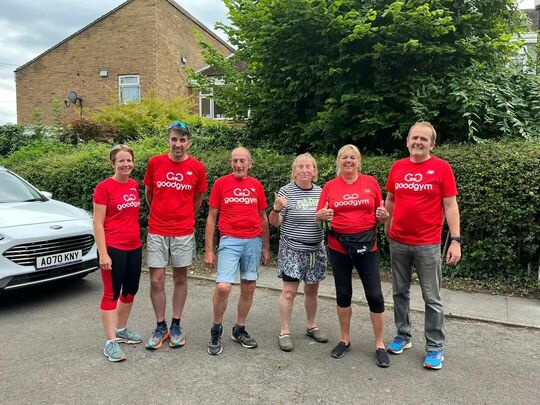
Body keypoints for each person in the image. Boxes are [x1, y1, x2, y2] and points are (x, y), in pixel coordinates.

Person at [385, 121, 461, 370]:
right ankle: (403, 336)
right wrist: (386, 228)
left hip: (427, 243)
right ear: (407, 141)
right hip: (398, 241)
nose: (418, 142)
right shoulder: (397, 167)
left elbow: (450, 206)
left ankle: (435, 348)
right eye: (414, 138)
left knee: (432, 298)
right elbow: (391, 200)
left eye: (424, 139)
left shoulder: (441, 168)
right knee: (399, 292)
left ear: (432, 144)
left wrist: (456, 241)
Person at [316, 144, 390, 368]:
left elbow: (380, 214)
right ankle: (345, 340)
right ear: (338, 162)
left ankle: (379, 344)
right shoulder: (330, 186)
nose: (348, 161)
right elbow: (318, 216)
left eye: (352, 157)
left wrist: (384, 216)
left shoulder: (371, 183)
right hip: (339, 247)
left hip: (367, 247)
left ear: (359, 161)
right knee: (343, 294)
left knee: (375, 295)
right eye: (344, 157)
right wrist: (321, 214)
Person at [143, 121, 207, 350]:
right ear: (168, 140)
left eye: (182, 140)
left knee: (180, 279)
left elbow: (197, 200)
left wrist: (184, 216)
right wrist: (160, 214)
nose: (178, 144)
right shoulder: (155, 163)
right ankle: (160, 326)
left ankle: (176, 325)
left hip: (183, 231)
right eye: (174, 139)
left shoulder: (198, 168)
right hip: (157, 230)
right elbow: (149, 193)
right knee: (156, 279)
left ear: (188, 143)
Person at [204, 147, 270, 356]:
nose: (238, 165)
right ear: (230, 163)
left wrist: (266, 247)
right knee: (223, 287)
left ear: (250, 164)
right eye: (235, 161)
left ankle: (239, 329)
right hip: (230, 240)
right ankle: (216, 329)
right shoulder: (221, 184)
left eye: (242, 161)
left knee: (249, 286)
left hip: (253, 241)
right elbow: (212, 218)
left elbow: (263, 217)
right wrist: (209, 250)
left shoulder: (256, 185)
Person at [269, 153, 328, 352]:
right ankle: (284, 331)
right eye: (300, 167)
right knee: (289, 292)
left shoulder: (321, 192)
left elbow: (329, 221)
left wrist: (324, 218)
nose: (304, 170)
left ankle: (312, 325)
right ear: (294, 171)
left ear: (314, 171)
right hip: (292, 249)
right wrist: (276, 210)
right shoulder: (286, 192)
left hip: (315, 250)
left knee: (312, 291)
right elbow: (274, 223)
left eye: (308, 167)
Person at [93, 144, 143, 362]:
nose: (126, 164)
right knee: (111, 294)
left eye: (129, 160)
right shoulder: (104, 187)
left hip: (134, 246)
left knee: (130, 291)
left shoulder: (134, 185)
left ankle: (121, 329)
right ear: (113, 163)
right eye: (121, 161)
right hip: (113, 247)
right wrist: (103, 253)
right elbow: (97, 222)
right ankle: (110, 342)